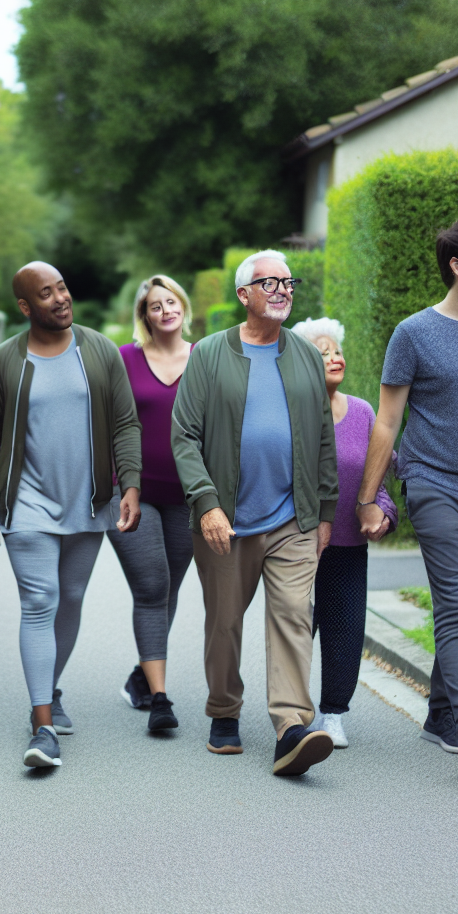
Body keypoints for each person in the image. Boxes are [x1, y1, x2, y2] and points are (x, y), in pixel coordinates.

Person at [357, 216, 458, 780]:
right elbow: (388, 421)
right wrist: (369, 497)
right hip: (434, 486)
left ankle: (441, 716)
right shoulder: (414, 333)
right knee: (455, 607)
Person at [172, 250, 337, 777]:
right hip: (226, 520)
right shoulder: (209, 355)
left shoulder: (306, 357)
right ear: (244, 295)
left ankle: (291, 726)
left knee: (293, 614)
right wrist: (207, 503)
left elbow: (322, 440)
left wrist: (326, 509)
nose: (284, 290)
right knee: (225, 623)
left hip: (293, 518)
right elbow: (184, 436)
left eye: (289, 282)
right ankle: (223, 708)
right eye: (271, 282)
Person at [0, 261, 142, 769]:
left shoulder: (99, 351)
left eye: (63, 287)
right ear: (25, 307)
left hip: (89, 499)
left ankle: (49, 685)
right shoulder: (5, 361)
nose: (60, 298)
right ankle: (42, 722)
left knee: (70, 597)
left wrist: (130, 483)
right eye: (45, 294)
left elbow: (124, 423)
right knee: (40, 600)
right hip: (26, 501)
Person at [291, 317, 397, 749]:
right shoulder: (291, 415)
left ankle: (333, 714)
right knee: (296, 632)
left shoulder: (364, 413)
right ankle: (293, 715)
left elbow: (379, 484)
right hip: (296, 545)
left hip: (348, 547)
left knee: (345, 631)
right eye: (322, 351)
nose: (335, 357)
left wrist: (383, 514)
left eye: (337, 349)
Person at [109, 276, 195, 731]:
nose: (164, 310)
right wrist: (122, 482)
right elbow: (111, 424)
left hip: (187, 497)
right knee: (152, 585)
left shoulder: (203, 358)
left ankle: (143, 674)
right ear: (145, 316)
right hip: (131, 495)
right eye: (154, 306)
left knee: (169, 588)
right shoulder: (126, 359)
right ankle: (160, 698)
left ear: (182, 306)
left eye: (171, 301)